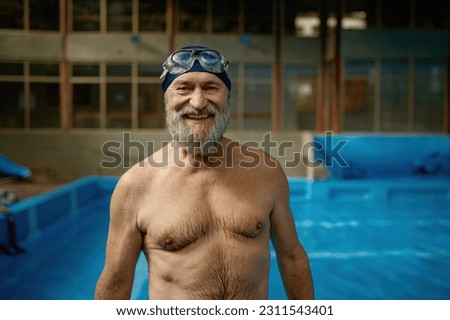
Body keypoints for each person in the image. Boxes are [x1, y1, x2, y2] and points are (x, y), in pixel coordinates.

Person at [95, 45, 314, 300]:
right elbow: (115, 284)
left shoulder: (266, 172)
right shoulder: (135, 186)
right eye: (184, 88)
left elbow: (291, 258)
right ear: (167, 100)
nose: (198, 102)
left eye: (211, 88)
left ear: (227, 99)